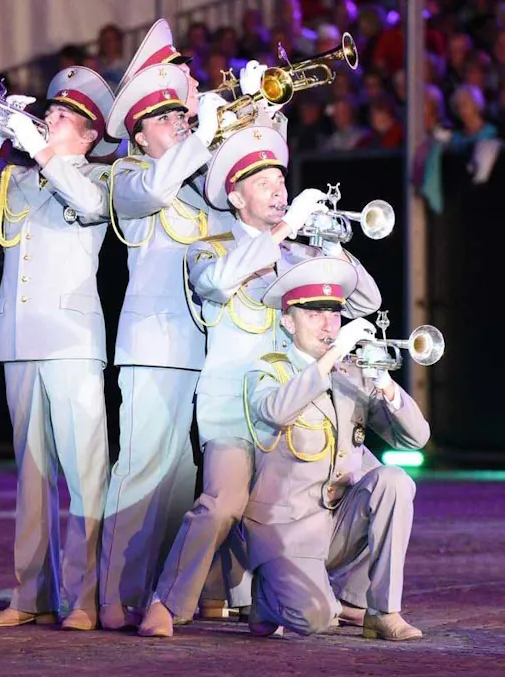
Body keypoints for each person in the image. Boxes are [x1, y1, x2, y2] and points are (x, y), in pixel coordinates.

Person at [138, 124, 381, 637]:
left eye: (281, 180)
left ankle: (351, 597)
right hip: (236, 412)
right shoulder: (211, 247)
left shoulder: (301, 256)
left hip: (299, 412)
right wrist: (282, 229)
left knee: (376, 483)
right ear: (234, 194)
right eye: (264, 182)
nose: (279, 190)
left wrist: (332, 247)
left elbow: (366, 303)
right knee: (223, 503)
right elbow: (219, 284)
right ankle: (167, 602)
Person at [0, 64, 117, 631]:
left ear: (88, 135)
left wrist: (44, 151)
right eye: (50, 112)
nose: (49, 119)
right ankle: (30, 595)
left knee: (85, 473)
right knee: (32, 474)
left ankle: (86, 598)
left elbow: (90, 207)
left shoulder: (97, 176)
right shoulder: (19, 180)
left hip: (71, 343)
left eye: (63, 117)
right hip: (17, 341)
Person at [97, 58, 228, 629]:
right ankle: (110, 594)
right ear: (140, 130)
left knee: (180, 478)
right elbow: (153, 188)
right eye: (167, 117)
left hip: (197, 347)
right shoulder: (127, 175)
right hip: (150, 345)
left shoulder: (195, 186)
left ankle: (166, 590)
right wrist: (199, 136)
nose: (179, 121)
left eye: (182, 113)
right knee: (139, 471)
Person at [243, 256, 427, 641]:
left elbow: (416, 439)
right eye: (314, 314)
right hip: (287, 530)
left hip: (335, 527)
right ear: (288, 321)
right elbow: (275, 412)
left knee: (394, 482)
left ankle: (382, 611)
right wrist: (330, 358)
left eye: (334, 315)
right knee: (314, 620)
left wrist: (387, 385)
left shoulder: (352, 373)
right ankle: (269, 592)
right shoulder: (267, 370)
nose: (328, 324)